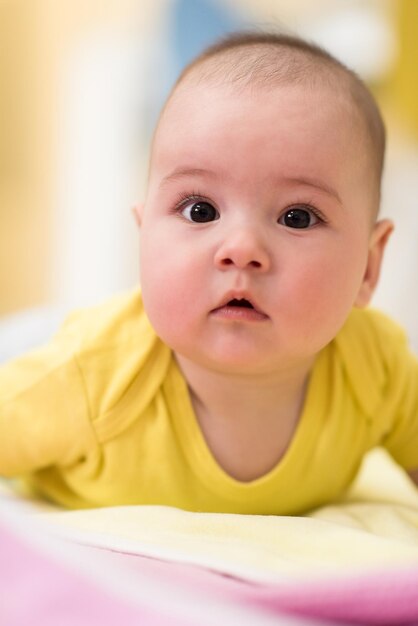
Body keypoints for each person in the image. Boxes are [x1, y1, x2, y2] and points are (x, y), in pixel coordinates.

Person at [1, 31, 417, 514]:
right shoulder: (88, 377)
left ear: (369, 266)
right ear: (144, 238)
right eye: (200, 210)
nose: (241, 250)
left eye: (296, 217)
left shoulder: (376, 368)